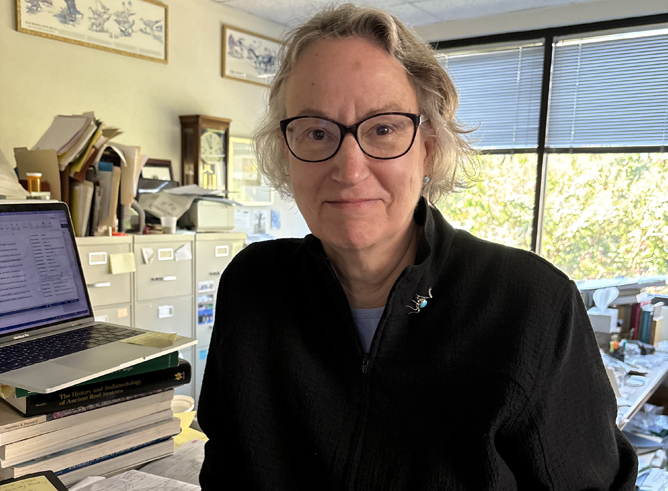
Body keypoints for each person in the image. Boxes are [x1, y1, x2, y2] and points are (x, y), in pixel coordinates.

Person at [197, 4, 637, 490]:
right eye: (317, 132)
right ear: (287, 152)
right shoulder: (253, 286)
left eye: (383, 129)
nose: (349, 168)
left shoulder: (531, 305)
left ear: (427, 148)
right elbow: (226, 471)